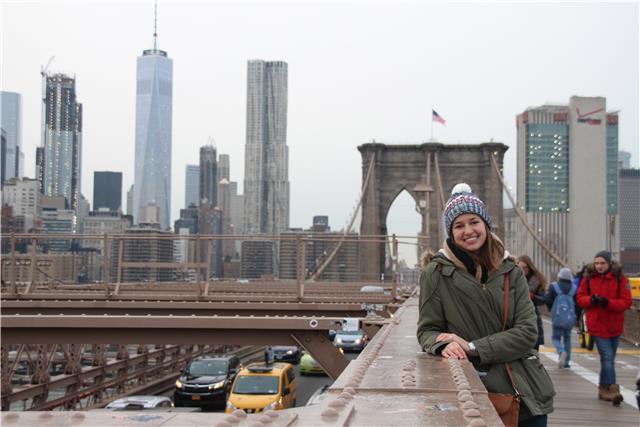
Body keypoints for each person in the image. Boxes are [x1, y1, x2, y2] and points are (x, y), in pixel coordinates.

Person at [417, 183, 555, 427]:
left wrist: (471, 347)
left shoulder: (511, 271)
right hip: (475, 391)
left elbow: (528, 332)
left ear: (486, 224)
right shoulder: (434, 274)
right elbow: (427, 330)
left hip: (525, 391)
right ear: (450, 232)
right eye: (458, 225)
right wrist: (444, 345)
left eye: (474, 222)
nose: (468, 230)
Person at [576, 250, 632, 406]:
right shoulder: (588, 278)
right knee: (608, 358)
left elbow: (626, 301)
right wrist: (592, 300)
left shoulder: (620, 279)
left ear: (609, 263)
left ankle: (602, 388)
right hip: (597, 325)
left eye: (602, 263)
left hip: (614, 325)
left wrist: (607, 303)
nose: (599, 266)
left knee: (608, 359)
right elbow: (580, 299)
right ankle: (612, 390)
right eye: (597, 263)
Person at [545, 267, 577, 369]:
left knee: (555, 337)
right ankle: (567, 362)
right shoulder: (574, 288)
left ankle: (560, 351)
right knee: (567, 338)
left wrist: (551, 309)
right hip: (569, 318)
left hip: (557, 317)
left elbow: (548, 300)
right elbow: (578, 304)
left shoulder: (554, 287)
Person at [517, 255, 547, 351]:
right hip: (517, 316)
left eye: (525, 267)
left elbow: (543, 299)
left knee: (534, 350)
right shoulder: (513, 278)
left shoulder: (536, 280)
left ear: (529, 267)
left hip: (533, 315)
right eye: (520, 267)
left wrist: (532, 296)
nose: (522, 270)